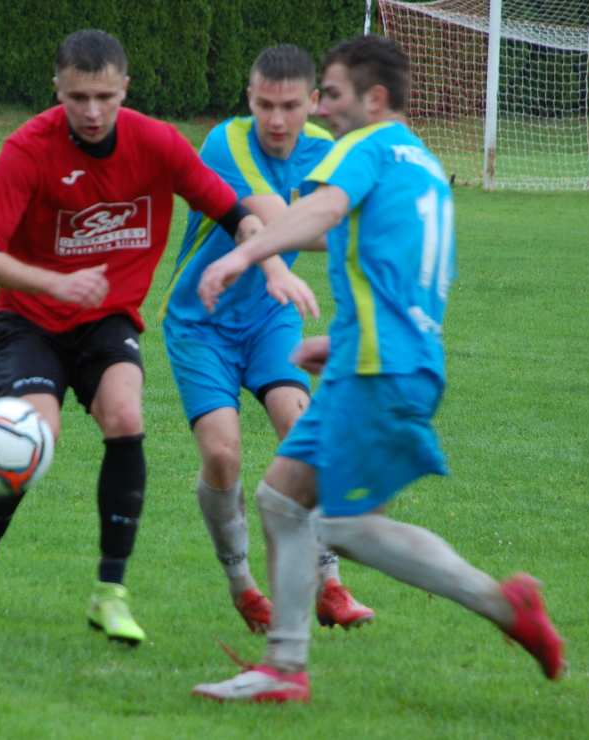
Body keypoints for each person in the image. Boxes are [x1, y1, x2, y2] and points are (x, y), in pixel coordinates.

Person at [190, 35, 564, 703]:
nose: (322, 109)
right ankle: (283, 665)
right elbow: (403, 272)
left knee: (341, 524)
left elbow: (321, 213)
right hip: (385, 359)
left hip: (379, 368)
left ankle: (504, 604)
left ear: (375, 98)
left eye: (330, 94)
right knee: (281, 499)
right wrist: (337, 342)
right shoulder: (421, 162)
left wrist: (242, 256)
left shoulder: (363, 147)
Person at [0, 29, 266, 645]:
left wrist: (258, 247)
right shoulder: (28, 148)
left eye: (104, 97)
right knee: (36, 437)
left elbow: (231, 211)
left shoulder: (157, 144)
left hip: (108, 318)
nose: (91, 112)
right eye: (77, 97)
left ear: (125, 89)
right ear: (57, 91)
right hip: (28, 318)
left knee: (124, 414)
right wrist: (53, 284)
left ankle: (109, 593)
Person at [160, 44, 374, 633]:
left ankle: (330, 584)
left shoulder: (325, 152)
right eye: (263, 105)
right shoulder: (226, 142)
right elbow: (270, 222)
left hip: (270, 319)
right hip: (200, 320)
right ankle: (244, 588)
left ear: (312, 102)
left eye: (288, 107)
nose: (275, 121)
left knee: (302, 431)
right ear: (248, 100)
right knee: (223, 454)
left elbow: (344, 226)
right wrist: (321, 246)